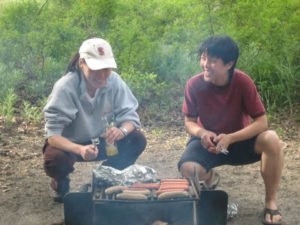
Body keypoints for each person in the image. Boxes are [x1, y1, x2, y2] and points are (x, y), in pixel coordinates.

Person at [178, 36, 283, 225]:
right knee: (188, 168)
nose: (205, 64)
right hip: (208, 142)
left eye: (212, 60)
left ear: (229, 64)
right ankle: (210, 177)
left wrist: (231, 138)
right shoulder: (194, 84)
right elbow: (189, 122)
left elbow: (262, 122)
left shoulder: (242, 82)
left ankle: (270, 202)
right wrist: (202, 133)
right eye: (203, 58)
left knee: (272, 139)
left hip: (240, 140)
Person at [42, 37, 147, 202]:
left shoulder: (114, 82)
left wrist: (121, 131)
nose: (103, 75)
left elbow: (130, 117)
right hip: (71, 144)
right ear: (82, 63)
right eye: (96, 68)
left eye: (107, 68)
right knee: (56, 160)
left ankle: (105, 177)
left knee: (136, 139)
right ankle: (60, 182)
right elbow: (53, 136)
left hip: (102, 141)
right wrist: (79, 149)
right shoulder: (65, 87)